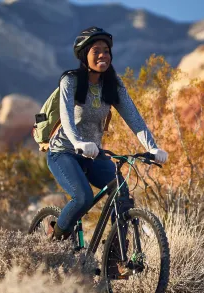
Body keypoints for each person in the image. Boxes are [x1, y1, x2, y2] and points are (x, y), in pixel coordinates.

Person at [46, 26, 168, 240]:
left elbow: (135, 119)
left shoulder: (113, 85)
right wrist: (78, 142)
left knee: (121, 195)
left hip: (93, 154)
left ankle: (114, 262)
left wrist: (152, 147)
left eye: (106, 50)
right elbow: (66, 119)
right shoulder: (71, 81)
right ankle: (54, 239)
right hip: (63, 151)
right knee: (83, 198)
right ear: (85, 56)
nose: (103, 55)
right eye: (96, 51)